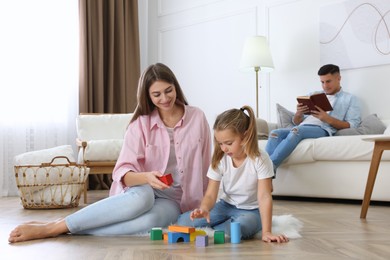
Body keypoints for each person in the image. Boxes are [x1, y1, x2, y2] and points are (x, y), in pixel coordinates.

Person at [8, 63, 212, 243]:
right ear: (147, 96)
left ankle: (68, 229)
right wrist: (147, 178)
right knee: (144, 199)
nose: (165, 98)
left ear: (175, 86)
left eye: (169, 90)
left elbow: (206, 166)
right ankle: (53, 228)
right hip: (142, 188)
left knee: (153, 221)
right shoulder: (140, 124)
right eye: (156, 94)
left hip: (174, 198)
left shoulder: (197, 117)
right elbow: (122, 173)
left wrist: (204, 203)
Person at [177, 105, 289, 243]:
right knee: (183, 221)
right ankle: (222, 223)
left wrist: (267, 232)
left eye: (229, 143)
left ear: (245, 135)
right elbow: (211, 194)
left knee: (240, 228)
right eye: (220, 143)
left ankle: (229, 224)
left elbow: (264, 196)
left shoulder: (260, 158)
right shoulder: (220, 158)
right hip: (226, 206)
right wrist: (204, 209)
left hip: (251, 210)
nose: (224, 148)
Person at [265, 64, 361, 172]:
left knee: (297, 130)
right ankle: (268, 172)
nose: (325, 86)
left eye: (328, 81)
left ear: (338, 78)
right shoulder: (314, 95)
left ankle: (267, 168)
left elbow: (353, 125)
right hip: (303, 126)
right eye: (322, 82)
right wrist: (298, 114)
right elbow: (297, 122)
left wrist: (327, 118)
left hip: (323, 129)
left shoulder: (350, 99)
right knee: (274, 133)